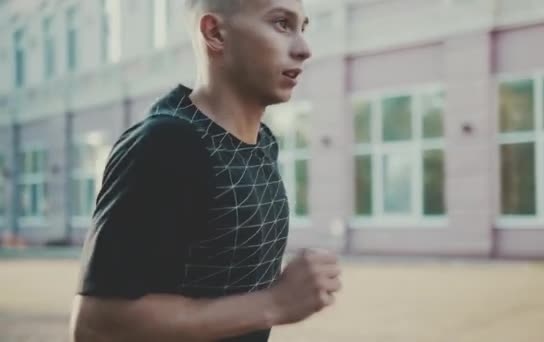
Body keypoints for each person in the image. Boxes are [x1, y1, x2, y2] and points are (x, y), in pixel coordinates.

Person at [69, 0, 342, 341]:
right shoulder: (166, 144)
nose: (304, 49)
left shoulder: (262, 143)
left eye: (302, 27)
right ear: (214, 33)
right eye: (281, 24)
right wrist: (275, 302)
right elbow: (96, 328)